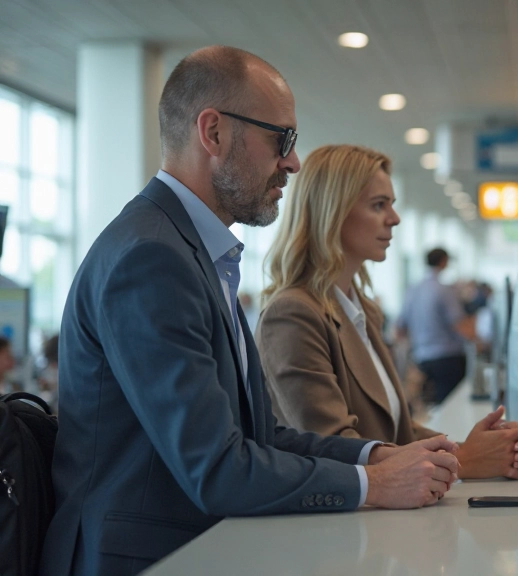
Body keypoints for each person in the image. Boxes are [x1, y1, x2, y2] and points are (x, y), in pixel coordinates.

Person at [42, 47, 459, 576]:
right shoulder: (151, 258)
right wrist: (374, 485)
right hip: (141, 559)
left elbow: (261, 437)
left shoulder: (194, 251)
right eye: (280, 138)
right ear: (212, 133)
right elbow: (215, 468)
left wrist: (376, 457)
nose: (293, 161)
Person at [258, 144, 518, 479]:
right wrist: (465, 460)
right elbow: (334, 447)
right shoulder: (292, 314)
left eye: (391, 204)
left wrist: (478, 448)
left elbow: (397, 435)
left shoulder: (361, 311)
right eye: (379, 205)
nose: (394, 218)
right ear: (333, 212)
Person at [395, 248, 474, 404]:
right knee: (451, 407)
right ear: (444, 262)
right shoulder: (444, 290)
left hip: (422, 358)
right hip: (447, 358)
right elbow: (459, 324)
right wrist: (478, 340)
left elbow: (400, 328)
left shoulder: (412, 290)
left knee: (431, 407)